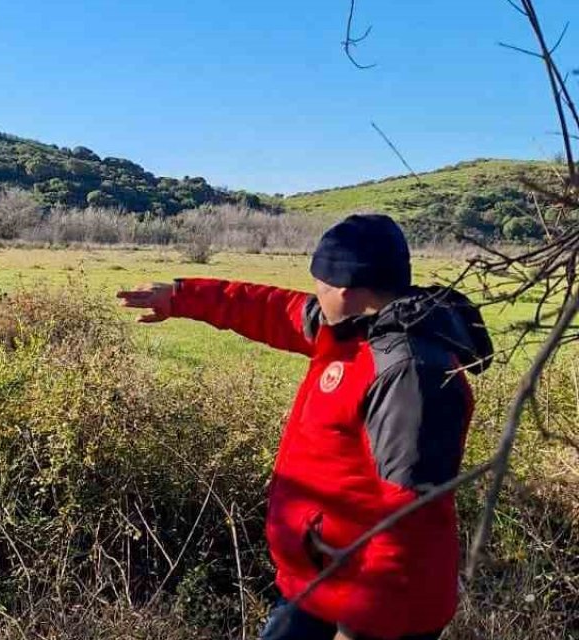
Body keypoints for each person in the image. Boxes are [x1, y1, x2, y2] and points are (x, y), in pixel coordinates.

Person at [118, 214, 493, 640]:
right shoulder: (349, 331)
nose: (314, 291)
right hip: (320, 588)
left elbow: (410, 516)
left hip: (379, 611)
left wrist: (359, 627)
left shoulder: (408, 372)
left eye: (320, 281)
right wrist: (180, 297)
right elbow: (272, 309)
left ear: (346, 288)